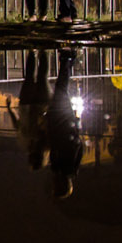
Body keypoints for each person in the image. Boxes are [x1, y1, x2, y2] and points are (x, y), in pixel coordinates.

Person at [46, 48, 84, 198]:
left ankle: (69, 59)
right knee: (61, 89)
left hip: (60, 124)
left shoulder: (59, 168)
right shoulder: (68, 167)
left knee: (61, 90)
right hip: (63, 124)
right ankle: (67, 58)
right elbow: (75, 145)